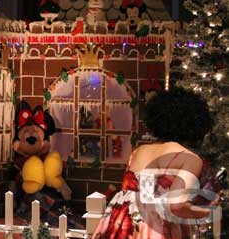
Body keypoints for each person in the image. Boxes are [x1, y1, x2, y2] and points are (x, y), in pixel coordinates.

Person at [92, 87, 216, 238]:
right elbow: (176, 206)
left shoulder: (139, 151)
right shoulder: (189, 158)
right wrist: (207, 212)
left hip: (123, 223)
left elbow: (140, 192)